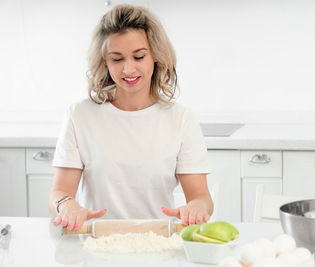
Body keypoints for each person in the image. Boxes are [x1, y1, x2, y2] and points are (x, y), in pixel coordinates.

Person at [49, 4, 213, 231]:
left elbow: (201, 198)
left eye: (139, 56)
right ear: (104, 61)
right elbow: (60, 192)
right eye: (117, 59)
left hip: (157, 243)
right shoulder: (80, 116)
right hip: (95, 244)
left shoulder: (181, 119)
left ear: (155, 55)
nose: (128, 69)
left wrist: (196, 208)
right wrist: (66, 205)